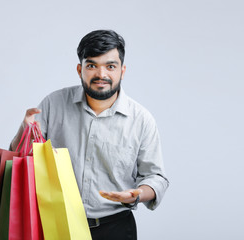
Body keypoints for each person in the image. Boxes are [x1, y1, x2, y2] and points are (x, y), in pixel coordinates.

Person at [10, 29, 169, 240]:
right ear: (80, 69)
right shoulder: (52, 104)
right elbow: (19, 161)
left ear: (122, 71)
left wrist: (136, 195)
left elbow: (155, 177)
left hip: (115, 227)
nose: (101, 75)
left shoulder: (141, 119)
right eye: (92, 65)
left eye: (110, 66)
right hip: (55, 225)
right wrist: (26, 131)